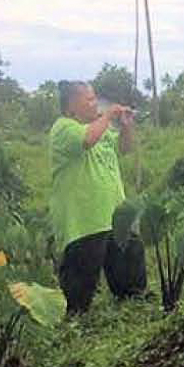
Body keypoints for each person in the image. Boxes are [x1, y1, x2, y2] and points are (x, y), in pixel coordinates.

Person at [49, 81, 147, 314]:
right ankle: (74, 327)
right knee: (78, 293)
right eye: (90, 100)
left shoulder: (101, 130)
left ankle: (133, 311)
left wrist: (125, 126)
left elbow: (123, 148)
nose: (95, 104)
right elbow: (87, 140)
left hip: (115, 217)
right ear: (72, 106)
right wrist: (109, 115)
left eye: (95, 99)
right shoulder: (64, 128)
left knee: (131, 279)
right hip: (85, 222)